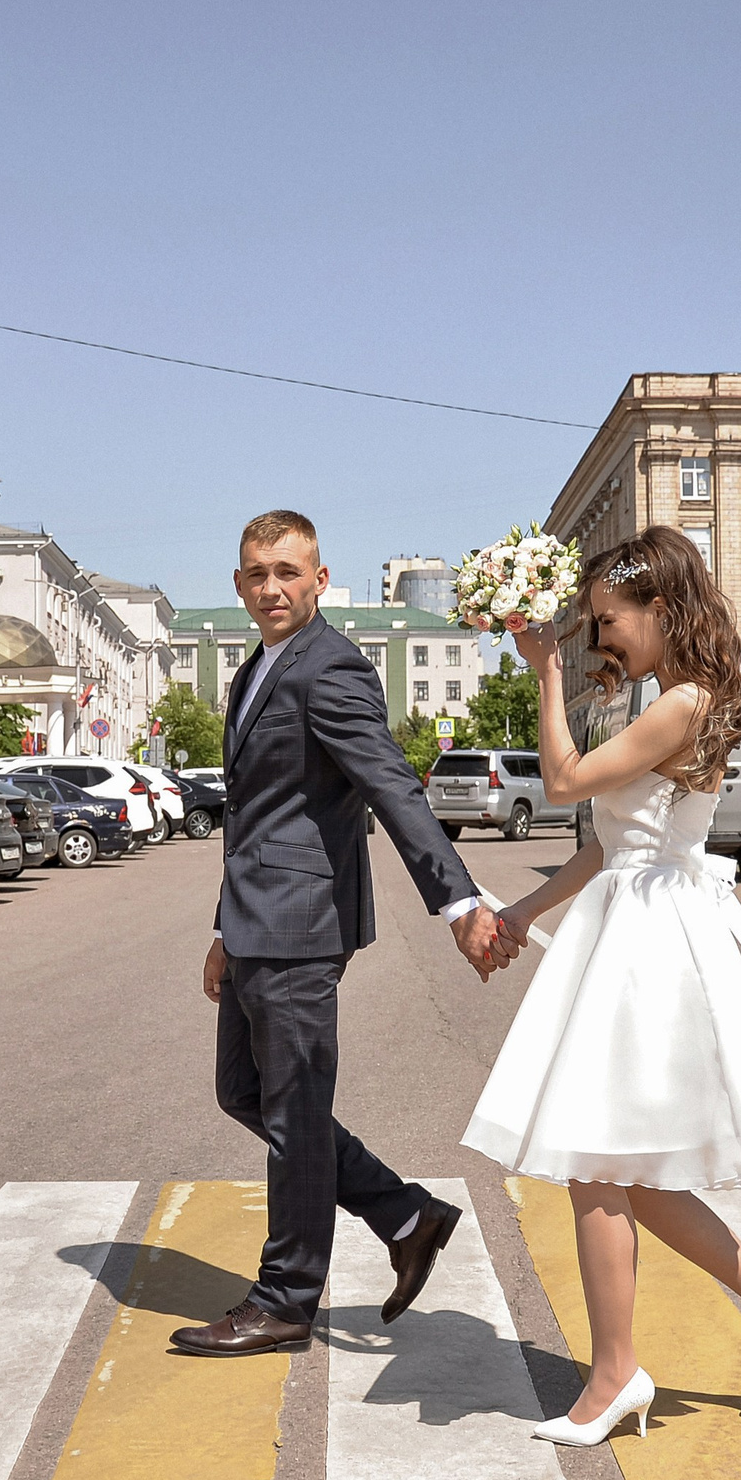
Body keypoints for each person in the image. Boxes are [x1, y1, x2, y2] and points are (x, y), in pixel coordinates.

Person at [464, 524, 741, 1445]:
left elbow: (562, 782)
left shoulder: (684, 701)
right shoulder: (667, 698)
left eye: (609, 620)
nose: (600, 638)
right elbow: (608, 843)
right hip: (629, 921)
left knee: (597, 1163)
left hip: (650, 944)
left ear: (663, 607)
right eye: (593, 623)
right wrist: (522, 912)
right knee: (620, 1169)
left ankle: (616, 1374)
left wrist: (544, 670)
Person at [172, 510, 514, 1358]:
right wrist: (221, 928)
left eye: (288, 572)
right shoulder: (254, 669)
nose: (272, 588)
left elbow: (392, 785)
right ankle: (404, 1213)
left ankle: (286, 1298)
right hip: (253, 923)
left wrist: (458, 902)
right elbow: (253, 818)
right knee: (245, 1093)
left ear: (320, 580)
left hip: (301, 926)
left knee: (292, 1114)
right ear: (238, 583)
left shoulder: (332, 668)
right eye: (257, 573)